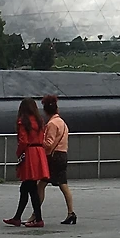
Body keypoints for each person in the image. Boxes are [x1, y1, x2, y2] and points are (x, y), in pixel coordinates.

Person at [5, 97, 49, 227]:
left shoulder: (23, 121)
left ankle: (37, 219)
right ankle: (18, 217)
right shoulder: (40, 121)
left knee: (30, 187)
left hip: (30, 153)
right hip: (39, 152)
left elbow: (23, 141)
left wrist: (19, 153)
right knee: (27, 187)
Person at [38, 94, 76, 225]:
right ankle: (71, 212)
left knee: (41, 185)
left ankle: (35, 214)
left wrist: (39, 140)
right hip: (62, 155)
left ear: (45, 111)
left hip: (53, 157)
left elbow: (49, 144)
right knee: (63, 184)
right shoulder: (62, 123)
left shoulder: (52, 124)